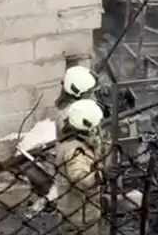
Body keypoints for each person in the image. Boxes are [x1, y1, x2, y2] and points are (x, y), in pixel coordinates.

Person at [56, 99, 107, 235]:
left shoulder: (75, 141)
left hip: (79, 210)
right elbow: (80, 179)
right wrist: (102, 175)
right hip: (80, 215)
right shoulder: (75, 151)